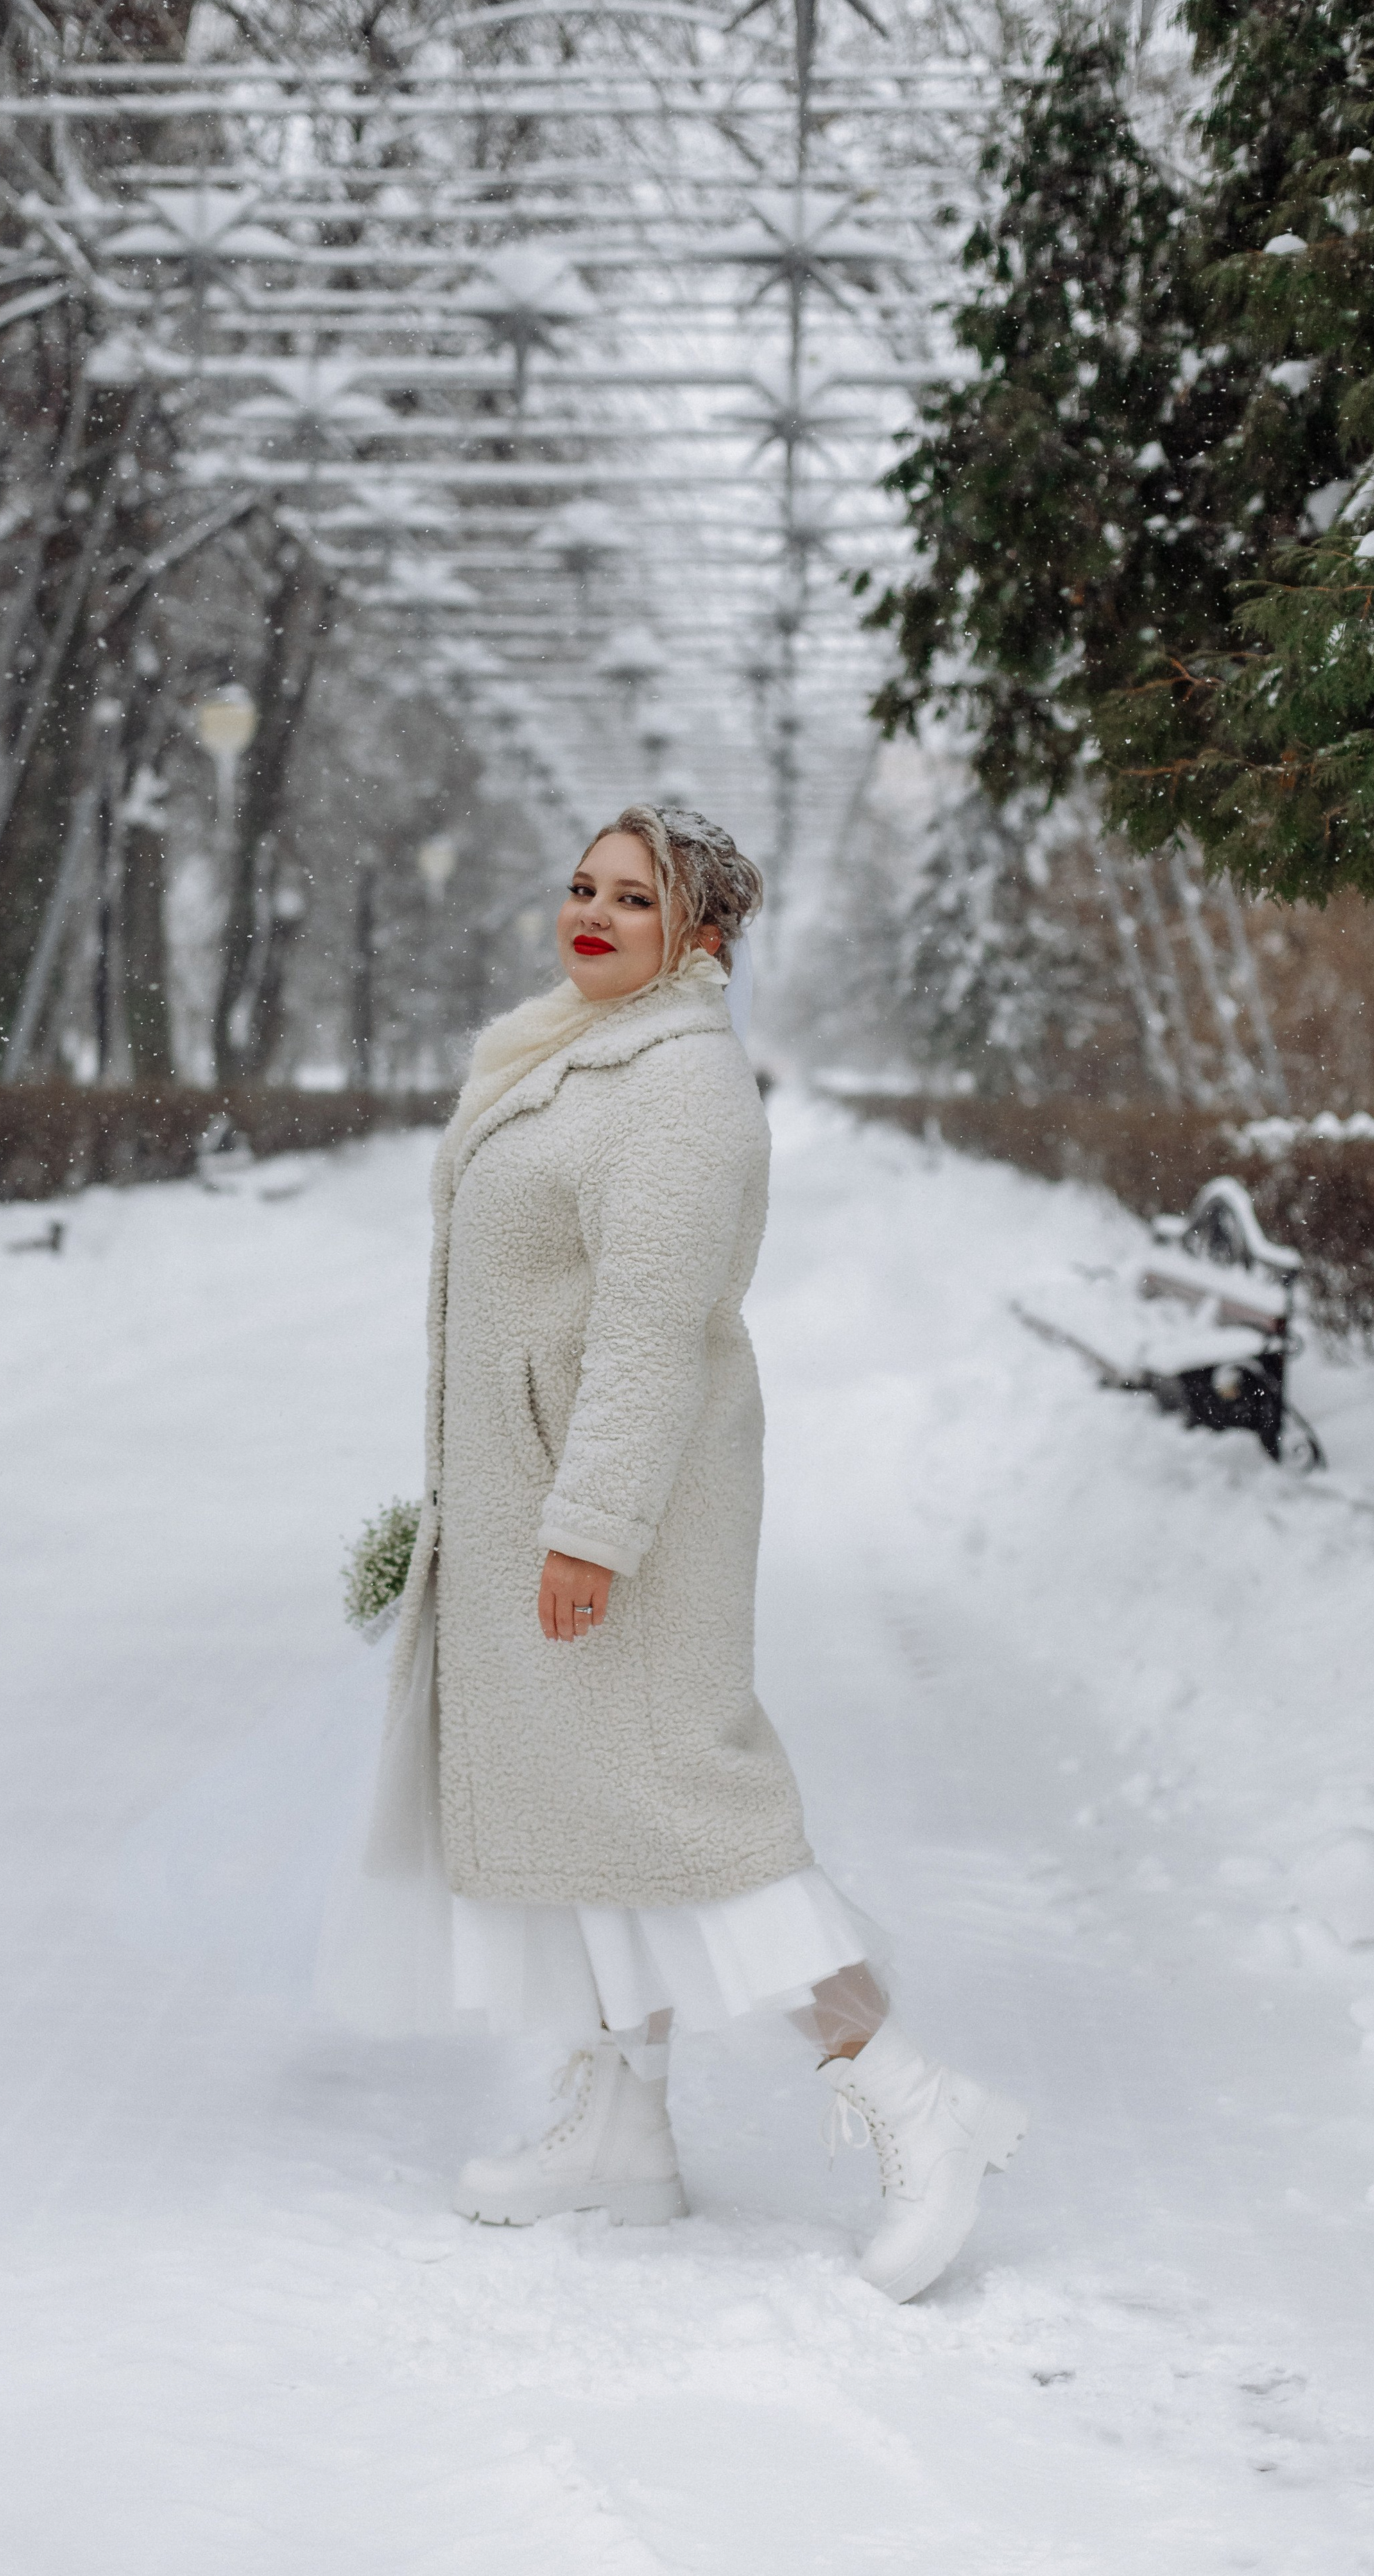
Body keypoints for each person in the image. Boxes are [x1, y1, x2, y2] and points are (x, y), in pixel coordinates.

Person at [321, 804, 1026, 2303]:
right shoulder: (572, 1054)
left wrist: (589, 1526)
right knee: (586, 1821)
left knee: (691, 1828)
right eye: (581, 887)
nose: (590, 912)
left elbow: (649, 1332)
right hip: (530, 1503)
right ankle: (619, 2130)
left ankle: (910, 2090)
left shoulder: (679, 1087)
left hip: (615, 1524)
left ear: (698, 932)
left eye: (630, 897)